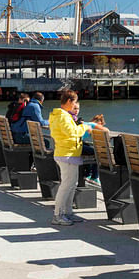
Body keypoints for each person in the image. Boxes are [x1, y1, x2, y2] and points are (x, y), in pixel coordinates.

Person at [48, 90, 105, 226]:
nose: (75, 106)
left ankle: (67, 212)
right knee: (66, 185)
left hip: (69, 153)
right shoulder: (63, 116)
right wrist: (85, 126)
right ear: (69, 101)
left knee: (71, 184)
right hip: (66, 154)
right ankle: (58, 215)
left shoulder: (61, 115)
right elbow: (71, 132)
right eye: (74, 103)